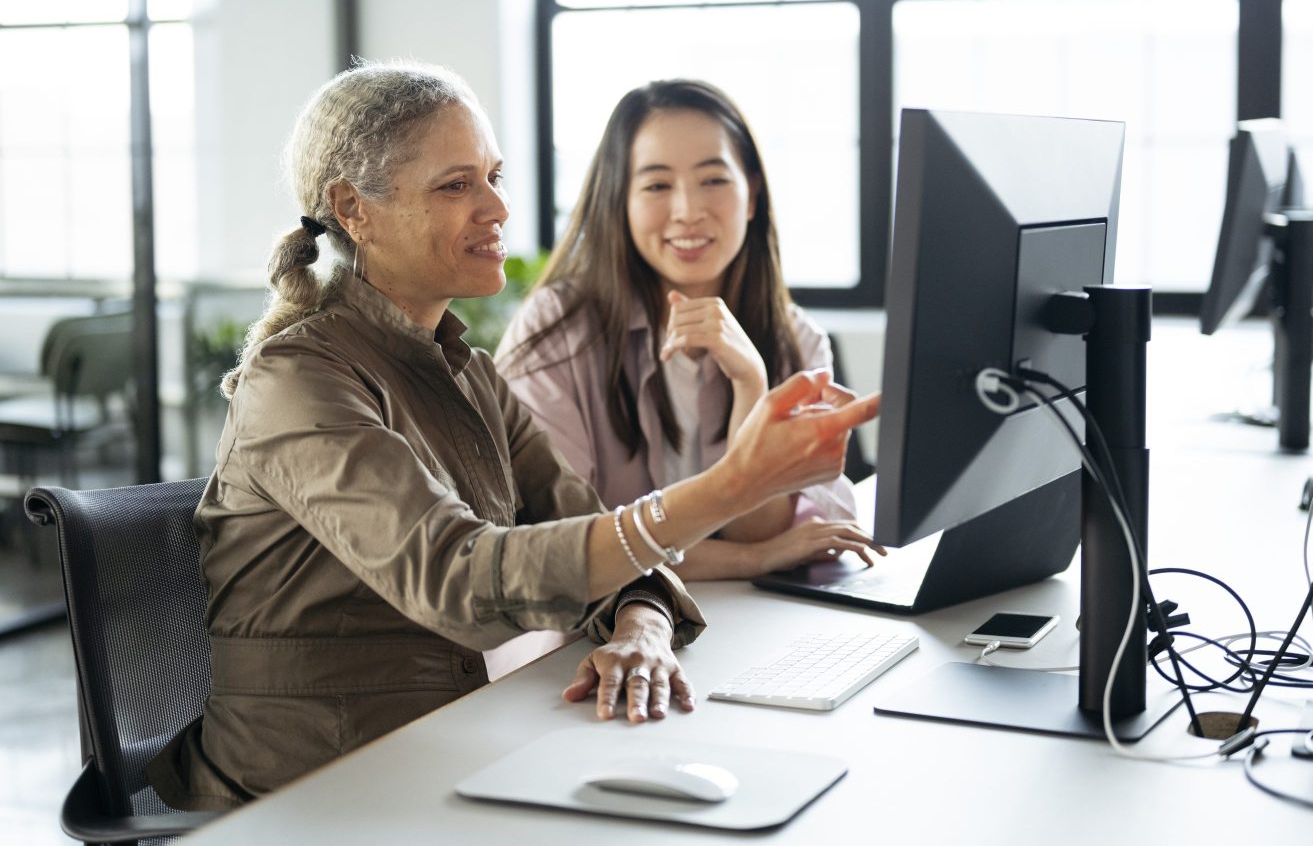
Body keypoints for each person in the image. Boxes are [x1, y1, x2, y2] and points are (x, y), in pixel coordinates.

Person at [145, 61, 878, 811]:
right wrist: (731, 487)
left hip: (453, 748)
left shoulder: (473, 377)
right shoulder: (297, 381)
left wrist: (642, 627)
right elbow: (459, 580)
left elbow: (593, 539)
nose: (497, 206)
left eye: (494, 176)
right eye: (456, 185)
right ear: (352, 208)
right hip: (309, 794)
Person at [498, 79, 881, 580]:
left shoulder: (794, 336)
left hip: (750, 619)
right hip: (604, 629)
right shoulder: (557, 330)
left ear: (751, 195)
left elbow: (761, 528)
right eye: (657, 185)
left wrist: (752, 385)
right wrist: (752, 561)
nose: (688, 210)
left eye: (714, 180)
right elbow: (567, 546)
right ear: (621, 202)